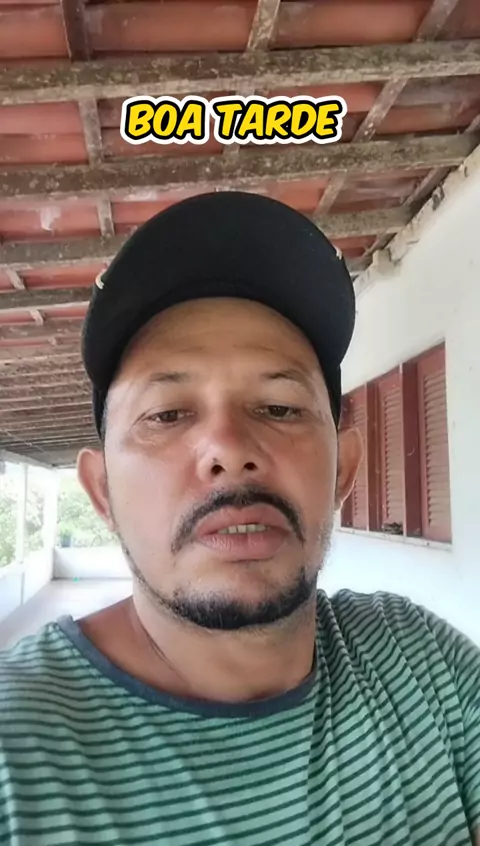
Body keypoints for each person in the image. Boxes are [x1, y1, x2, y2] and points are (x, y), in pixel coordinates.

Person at [0, 191, 479, 846]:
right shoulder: (17, 751)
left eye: (280, 408)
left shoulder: (419, 665)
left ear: (343, 471)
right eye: (167, 414)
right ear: (102, 492)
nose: (229, 448)